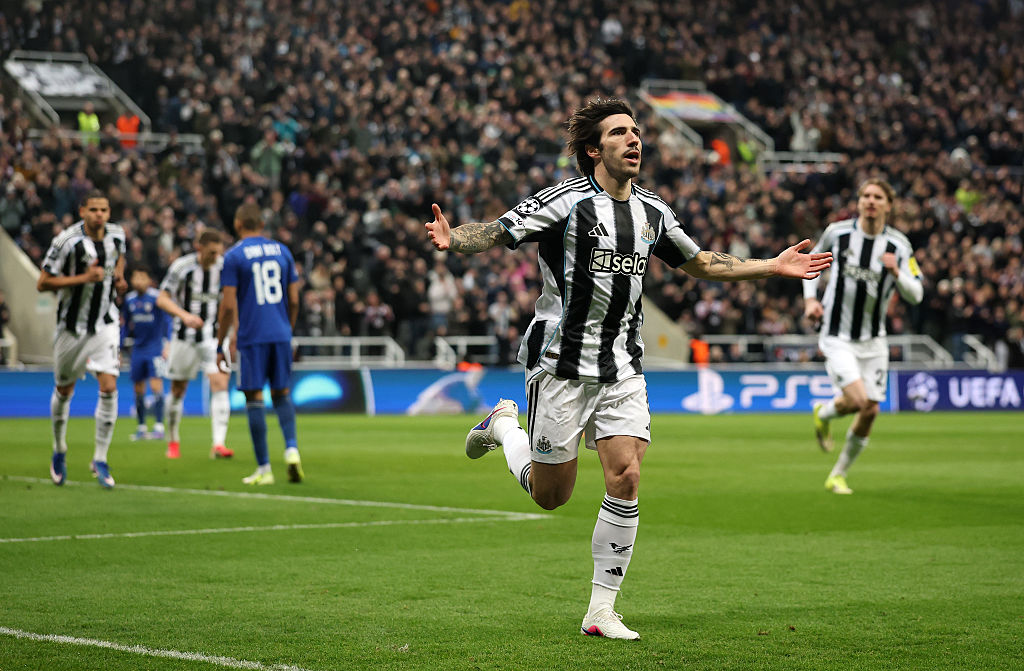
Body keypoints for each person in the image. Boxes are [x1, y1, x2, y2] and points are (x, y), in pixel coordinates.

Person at [425, 98, 832, 639]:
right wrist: (458, 239)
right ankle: (502, 423)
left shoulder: (652, 212)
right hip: (561, 364)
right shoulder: (564, 202)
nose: (634, 139)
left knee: (628, 474)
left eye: (637, 131)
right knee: (552, 497)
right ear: (595, 149)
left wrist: (772, 266)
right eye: (620, 132)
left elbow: (702, 262)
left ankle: (601, 611)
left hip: (622, 364)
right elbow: (499, 230)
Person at [803, 178, 924, 494]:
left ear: (888, 204)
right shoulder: (838, 233)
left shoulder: (899, 246)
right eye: (865, 196)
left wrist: (897, 273)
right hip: (837, 334)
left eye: (878, 197)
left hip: (874, 340)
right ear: (858, 202)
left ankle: (837, 473)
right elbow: (808, 264)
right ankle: (827, 412)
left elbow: (917, 294)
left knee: (870, 409)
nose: (870, 201)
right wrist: (810, 300)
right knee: (857, 400)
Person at [37, 191, 127, 488]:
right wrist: (81, 280)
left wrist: (119, 279)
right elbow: (43, 282)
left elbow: (118, 259)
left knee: (110, 385)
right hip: (71, 328)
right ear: (82, 211)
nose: (99, 215)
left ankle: (100, 458)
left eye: (104, 209)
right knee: (64, 389)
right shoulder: (65, 241)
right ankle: (59, 449)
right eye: (93, 210)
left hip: (105, 323)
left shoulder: (117, 235)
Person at [216, 202, 303, 485]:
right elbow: (294, 299)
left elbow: (228, 306)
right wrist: (286, 328)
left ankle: (264, 468)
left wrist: (221, 341)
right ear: (262, 225)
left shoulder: (234, 256)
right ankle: (291, 448)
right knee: (282, 393)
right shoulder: (283, 251)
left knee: (254, 398)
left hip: (253, 335)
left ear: (238, 224)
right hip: (280, 332)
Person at [156, 229, 234, 460]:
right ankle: (173, 441)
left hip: (214, 337)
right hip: (184, 337)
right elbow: (162, 298)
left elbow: (232, 301)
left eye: (218, 253)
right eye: (211, 253)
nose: (215, 257)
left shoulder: (224, 267)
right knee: (178, 390)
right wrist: (184, 315)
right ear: (199, 248)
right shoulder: (182, 267)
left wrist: (232, 334)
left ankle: (219, 444)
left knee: (220, 383)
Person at [121, 266, 170, 441]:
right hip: (138, 350)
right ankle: (141, 427)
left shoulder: (157, 298)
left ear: (149, 280)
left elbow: (167, 321)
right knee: (138, 390)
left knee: (157, 387)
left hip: (155, 349)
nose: (139, 281)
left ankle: (159, 426)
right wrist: (119, 347)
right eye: (136, 277)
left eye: (143, 277)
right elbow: (126, 326)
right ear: (132, 280)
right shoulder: (129, 300)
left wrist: (167, 343)